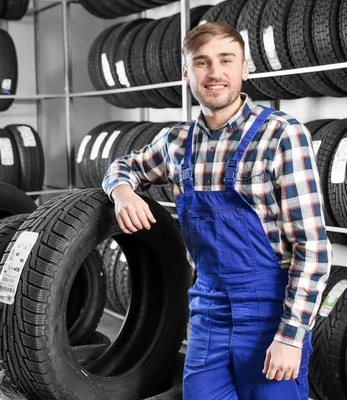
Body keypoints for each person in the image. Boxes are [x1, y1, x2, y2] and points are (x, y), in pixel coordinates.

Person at [102, 21, 332, 400]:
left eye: (226, 60)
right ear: (187, 73)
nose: (215, 73)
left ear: (244, 68)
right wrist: (123, 193)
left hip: (269, 312)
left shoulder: (281, 135)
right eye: (202, 62)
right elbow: (122, 167)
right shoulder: (176, 143)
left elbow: (313, 247)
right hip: (208, 310)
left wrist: (291, 336)